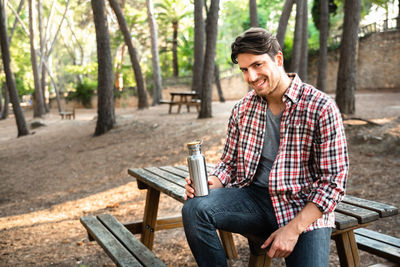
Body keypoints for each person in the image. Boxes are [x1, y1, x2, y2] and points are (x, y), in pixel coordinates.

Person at [182, 28, 349, 267]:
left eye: (257, 65)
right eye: (244, 70)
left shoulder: (320, 107)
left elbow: (333, 183)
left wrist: (292, 230)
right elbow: (229, 163)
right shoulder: (243, 108)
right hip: (254, 201)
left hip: (301, 208)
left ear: (278, 59)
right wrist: (212, 182)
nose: (251, 76)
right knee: (194, 208)